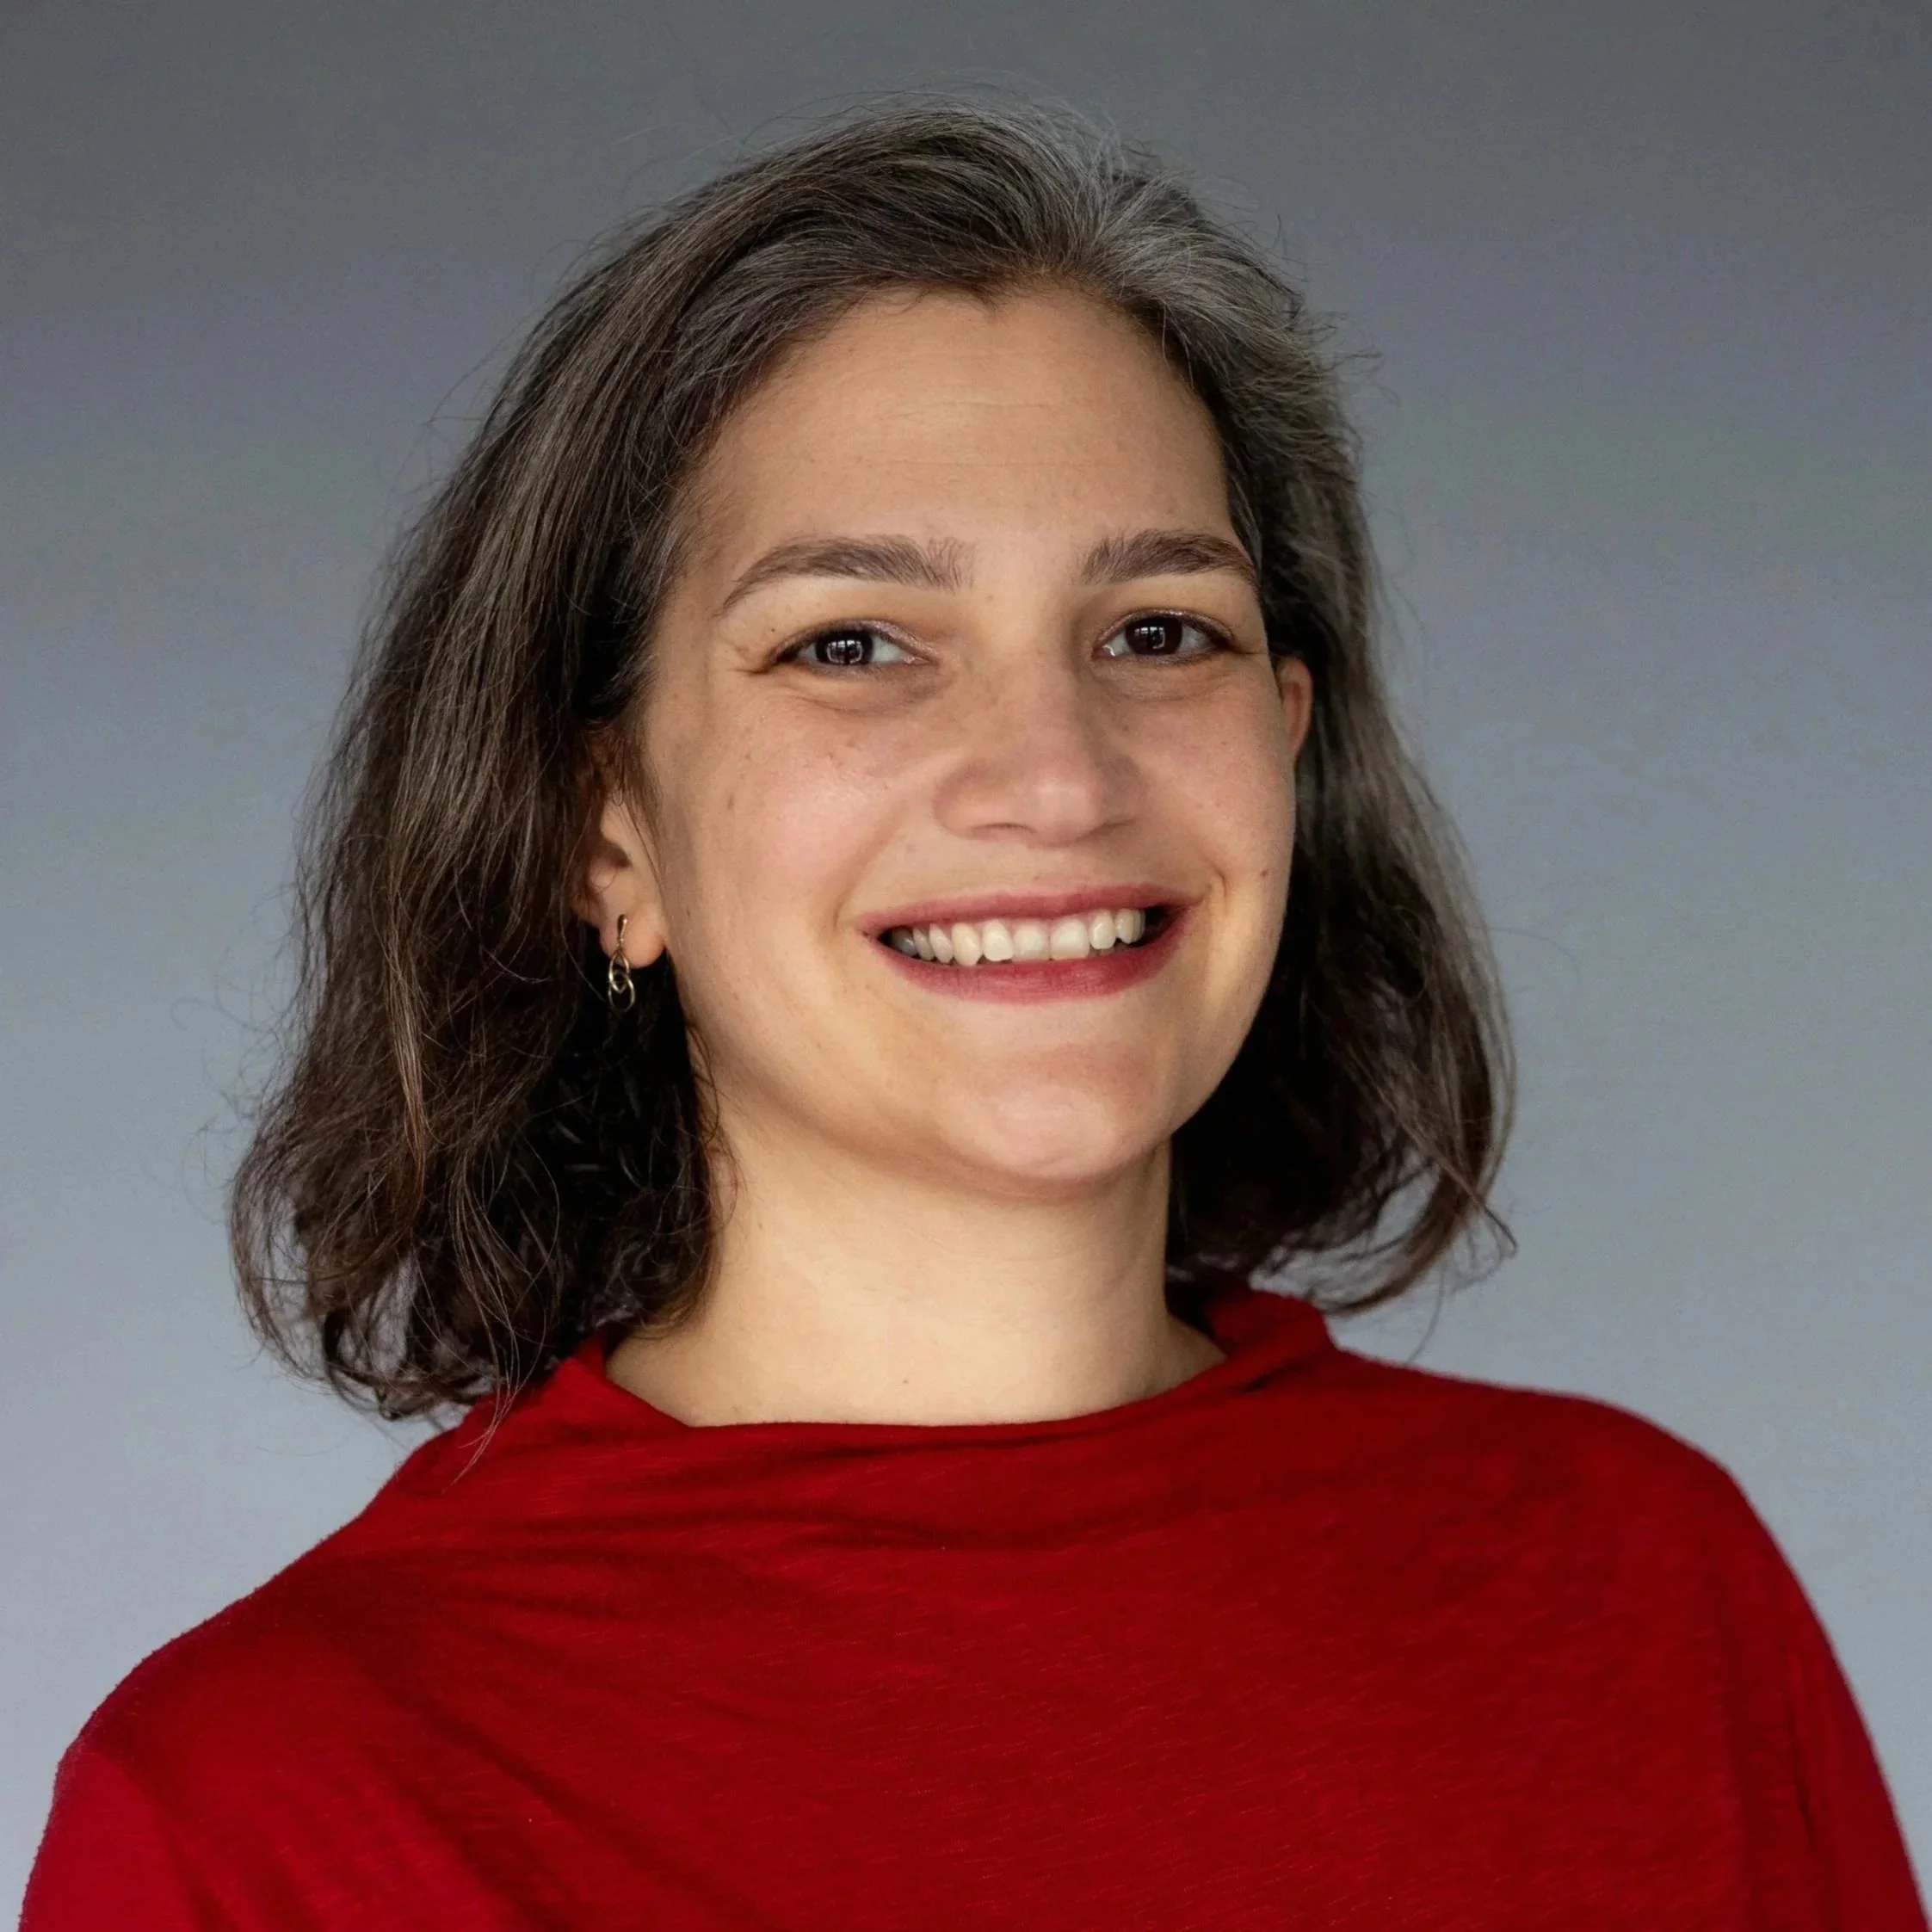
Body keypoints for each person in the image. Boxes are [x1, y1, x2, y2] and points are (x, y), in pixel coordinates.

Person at [22, 100, 1925, 1929]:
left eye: (1157, 630)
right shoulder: (260, 1811)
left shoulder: (1646, 1593)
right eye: (853, 644)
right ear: (607, 830)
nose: (1055, 777)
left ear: (1285, 740)